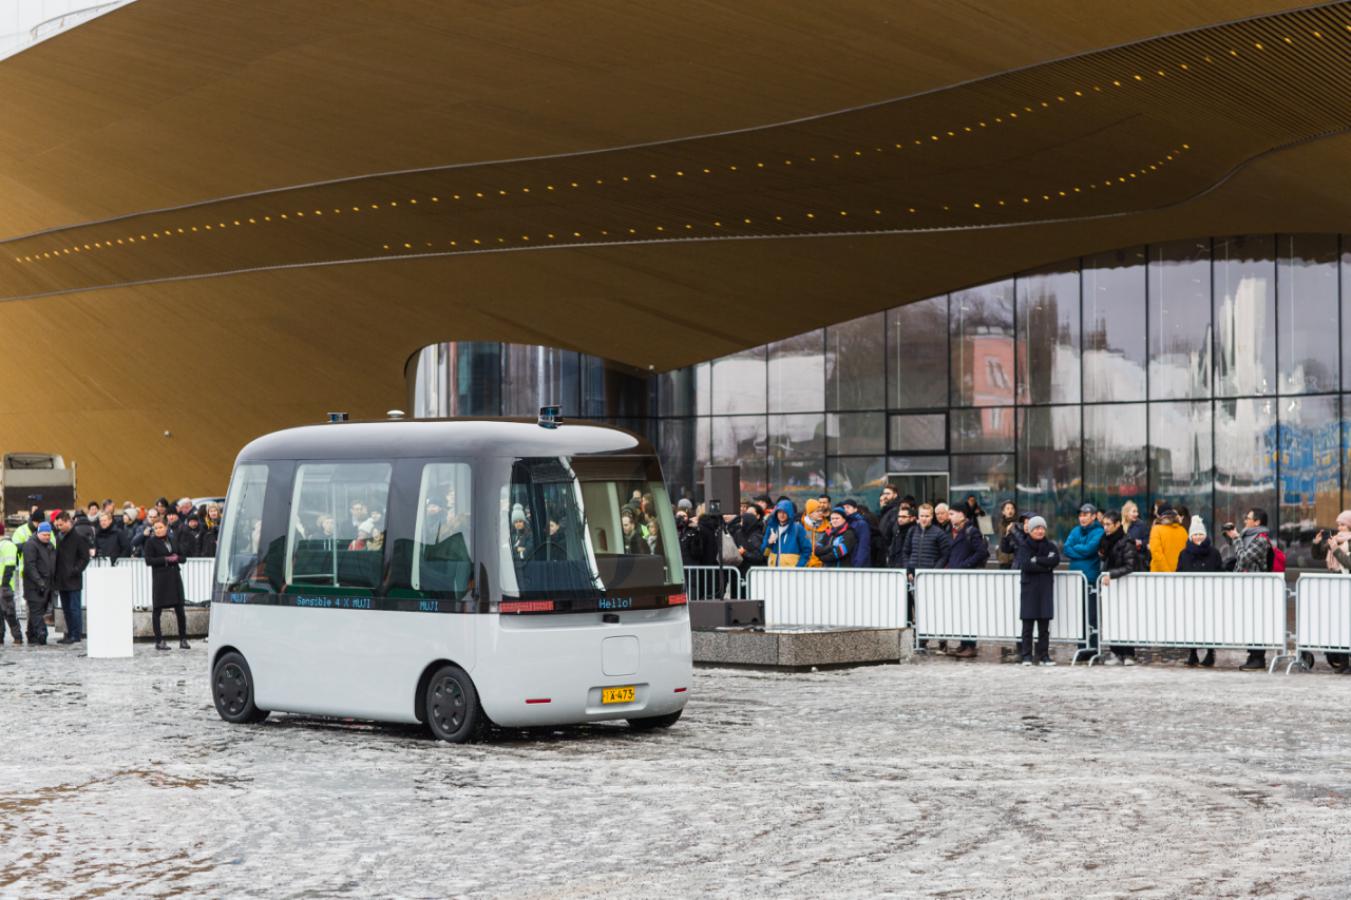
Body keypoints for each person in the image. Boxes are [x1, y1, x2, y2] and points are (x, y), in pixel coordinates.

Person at [1224, 509, 1274, 671]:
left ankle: (1258, 657)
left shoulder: (1260, 540)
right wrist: (1231, 536)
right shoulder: (1248, 536)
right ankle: (1252, 655)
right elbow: (1239, 552)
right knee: (1249, 621)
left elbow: (1244, 559)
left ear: (1257, 522)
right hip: (1247, 586)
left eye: (1248, 518)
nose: (1245, 520)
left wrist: (1237, 538)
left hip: (1256, 587)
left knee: (1256, 621)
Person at [1175, 516, 1223, 668]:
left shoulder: (1214, 553)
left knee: (1209, 623)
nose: (1198, 537)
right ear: (1190, 536)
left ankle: (1210, 653)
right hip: (1190, 595)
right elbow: (1179, 571)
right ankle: (1193, 653)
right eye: (1195, 534)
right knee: (1191, 623)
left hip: (1209, 594)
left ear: (1205, 535)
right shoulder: (1184, 553)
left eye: (1200, 534)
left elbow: (1219, 571)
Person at [1309, 511, 1351, 672]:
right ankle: (1342, 662)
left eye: (1343, 525)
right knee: (1337, 624)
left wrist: (1336, 549)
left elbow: (1348, 563)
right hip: (1335, 589)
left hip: (1347, 588)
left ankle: (1346, 663)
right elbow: (1317, 555)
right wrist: (1316, 542)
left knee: (1347, 625)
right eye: (1338, 525)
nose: (1339, 528)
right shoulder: (1336, 541)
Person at [1015, 516, 1060, 666]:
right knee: (1027, 625)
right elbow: (1026, 565)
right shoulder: (1024, 546)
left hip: (1045, 589)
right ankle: (1026, 656)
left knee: (1044, 626)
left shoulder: (1050, 545)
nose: (1040, 531)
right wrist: (1045, 565)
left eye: (1042, 528)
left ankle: (1044, 656)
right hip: (1029, 589)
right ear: (1030, 530)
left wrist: (1037, 560)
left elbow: (1055, 560)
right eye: (1036, 528)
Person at [945, 505, 988, 659]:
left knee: (968, 611)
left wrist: (965, 565)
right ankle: (964, 643)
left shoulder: (971, 531)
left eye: (952, 513)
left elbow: (982, 552)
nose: (949, 517)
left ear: (962, 514)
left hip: (967, 577)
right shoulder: (954, 531)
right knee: (961, 611)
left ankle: (970, 644)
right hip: (957, 576)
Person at [1097, 511, 1140, 665]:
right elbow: (1104, 558)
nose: (1105, 528)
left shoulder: (1126, 542)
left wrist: (1111, 574)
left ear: (1117, 525)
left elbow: (1130, 565)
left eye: (1108, 525)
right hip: (1110, 586)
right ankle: (1115, 652)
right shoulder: (1105, 540)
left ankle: (1128, 653)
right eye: (1104, 525)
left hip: (1124, 585)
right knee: (1111, 618)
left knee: (1125, 618)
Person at [1064, 502, 1105, 660]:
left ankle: (1093, 648)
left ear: (1094, 516)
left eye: (1085, 515)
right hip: (1076, 580)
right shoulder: (1075, 530)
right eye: (1080, 515)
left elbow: (1090, 549)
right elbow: (1067, 548)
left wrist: (1078, 548)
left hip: (1090, 579)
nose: (1082, 518)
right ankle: (1081, 648)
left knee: (1091, 615)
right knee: (1078, 615)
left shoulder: (1099, 531)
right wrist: (1082, 549)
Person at [143, 519, 190, 650]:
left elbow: (183, 557)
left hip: (174, 577)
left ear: (166, 527)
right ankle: (159, 640)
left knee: (180, 609)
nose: (157, 530)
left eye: (160, 527)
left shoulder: (173, 539)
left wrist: (177, 558)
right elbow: (148, 560)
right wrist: (165, 559)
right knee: (157, 610)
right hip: (160, 579)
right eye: (155, 528)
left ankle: (183, 639)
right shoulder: (150, 542)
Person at [53, 512, 92, 644]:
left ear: (68, 522)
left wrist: (75, 570)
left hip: (73, 578)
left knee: (74, 608)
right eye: (57, 525)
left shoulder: (79, 537)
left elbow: (85, 558)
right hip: (61, 579)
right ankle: (70, 633)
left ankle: (76, 634)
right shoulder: (59, 536)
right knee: (66, 608)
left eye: (61, 524)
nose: (59, 527)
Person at [22, 522, 56, 645]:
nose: (47, 537)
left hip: (47, 585)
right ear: (38, 533)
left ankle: (31, 635)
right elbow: (30, 567)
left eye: (49, 534)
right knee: (36, 611)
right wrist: (39, 582)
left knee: (37, 611)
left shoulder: (50, 545)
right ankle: (42, 634)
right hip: (34, 586)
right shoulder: (30, 545)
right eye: (45, 535)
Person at [761, 499, 811, 567]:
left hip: (792, 573)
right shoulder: (771, 528)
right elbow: (764, 553)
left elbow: (807, 550)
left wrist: (798, 568)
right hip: (773, 572)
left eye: (785, 512)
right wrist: (769, 543)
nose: (782, 515)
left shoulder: (798, 528)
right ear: (776, 513)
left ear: (789, 513)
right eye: (779, 512)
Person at [1148, 507, 1188, 573]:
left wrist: (1167, 572)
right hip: (1178, 573)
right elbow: (1186, 553)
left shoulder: (1156, 529)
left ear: (1162, 518)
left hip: (1159, 574)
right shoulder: (1183, 530)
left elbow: (1156, 554)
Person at [0, 524, 20, 645]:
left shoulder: (7, 545)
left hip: (5, 586)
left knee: (9, 613)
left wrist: (5, 583)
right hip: (2, 585)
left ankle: (17, 637)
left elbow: (10, 565)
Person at [839, 499, 872, 569]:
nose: (845, 510)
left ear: (855, 509)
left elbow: (863, 545)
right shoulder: (844, 523)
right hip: (847, 563)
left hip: (857, 564)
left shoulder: (861, 524)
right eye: (844, 508)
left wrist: (858, 565)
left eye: (848, 507)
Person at [1121, 500, 1150, 570]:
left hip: (1138, 563)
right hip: (1122, 563)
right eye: (1134, 511)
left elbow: (1148, 541)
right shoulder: (1120, 525)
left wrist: (1141, 543)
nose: (1136, 514)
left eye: (1137, 511)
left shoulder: (1141, 525)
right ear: (1126, 513)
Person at [877, 485, 901, 567]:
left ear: (895, 495)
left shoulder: (895, 510)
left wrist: (889, 550)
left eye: (888, 493)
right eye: (884, 493)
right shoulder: (887, 509)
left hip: (889, 550)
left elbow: (893, 532)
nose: (885, 496)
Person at [802, 499, 830, 568]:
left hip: (822, 567)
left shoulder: (828, 527)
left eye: (821, 510)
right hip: (804, 566)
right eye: (817, 511)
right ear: (809, 513)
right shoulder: (800, 527)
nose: (821, 513)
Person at [996, 500, 1021, 569]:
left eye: (1012, 508)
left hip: (1015, 559)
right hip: (1003, 559)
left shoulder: (1018, 524)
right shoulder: (1000, 524)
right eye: (1008, 508)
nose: (1010, 510)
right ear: (1003, 512)